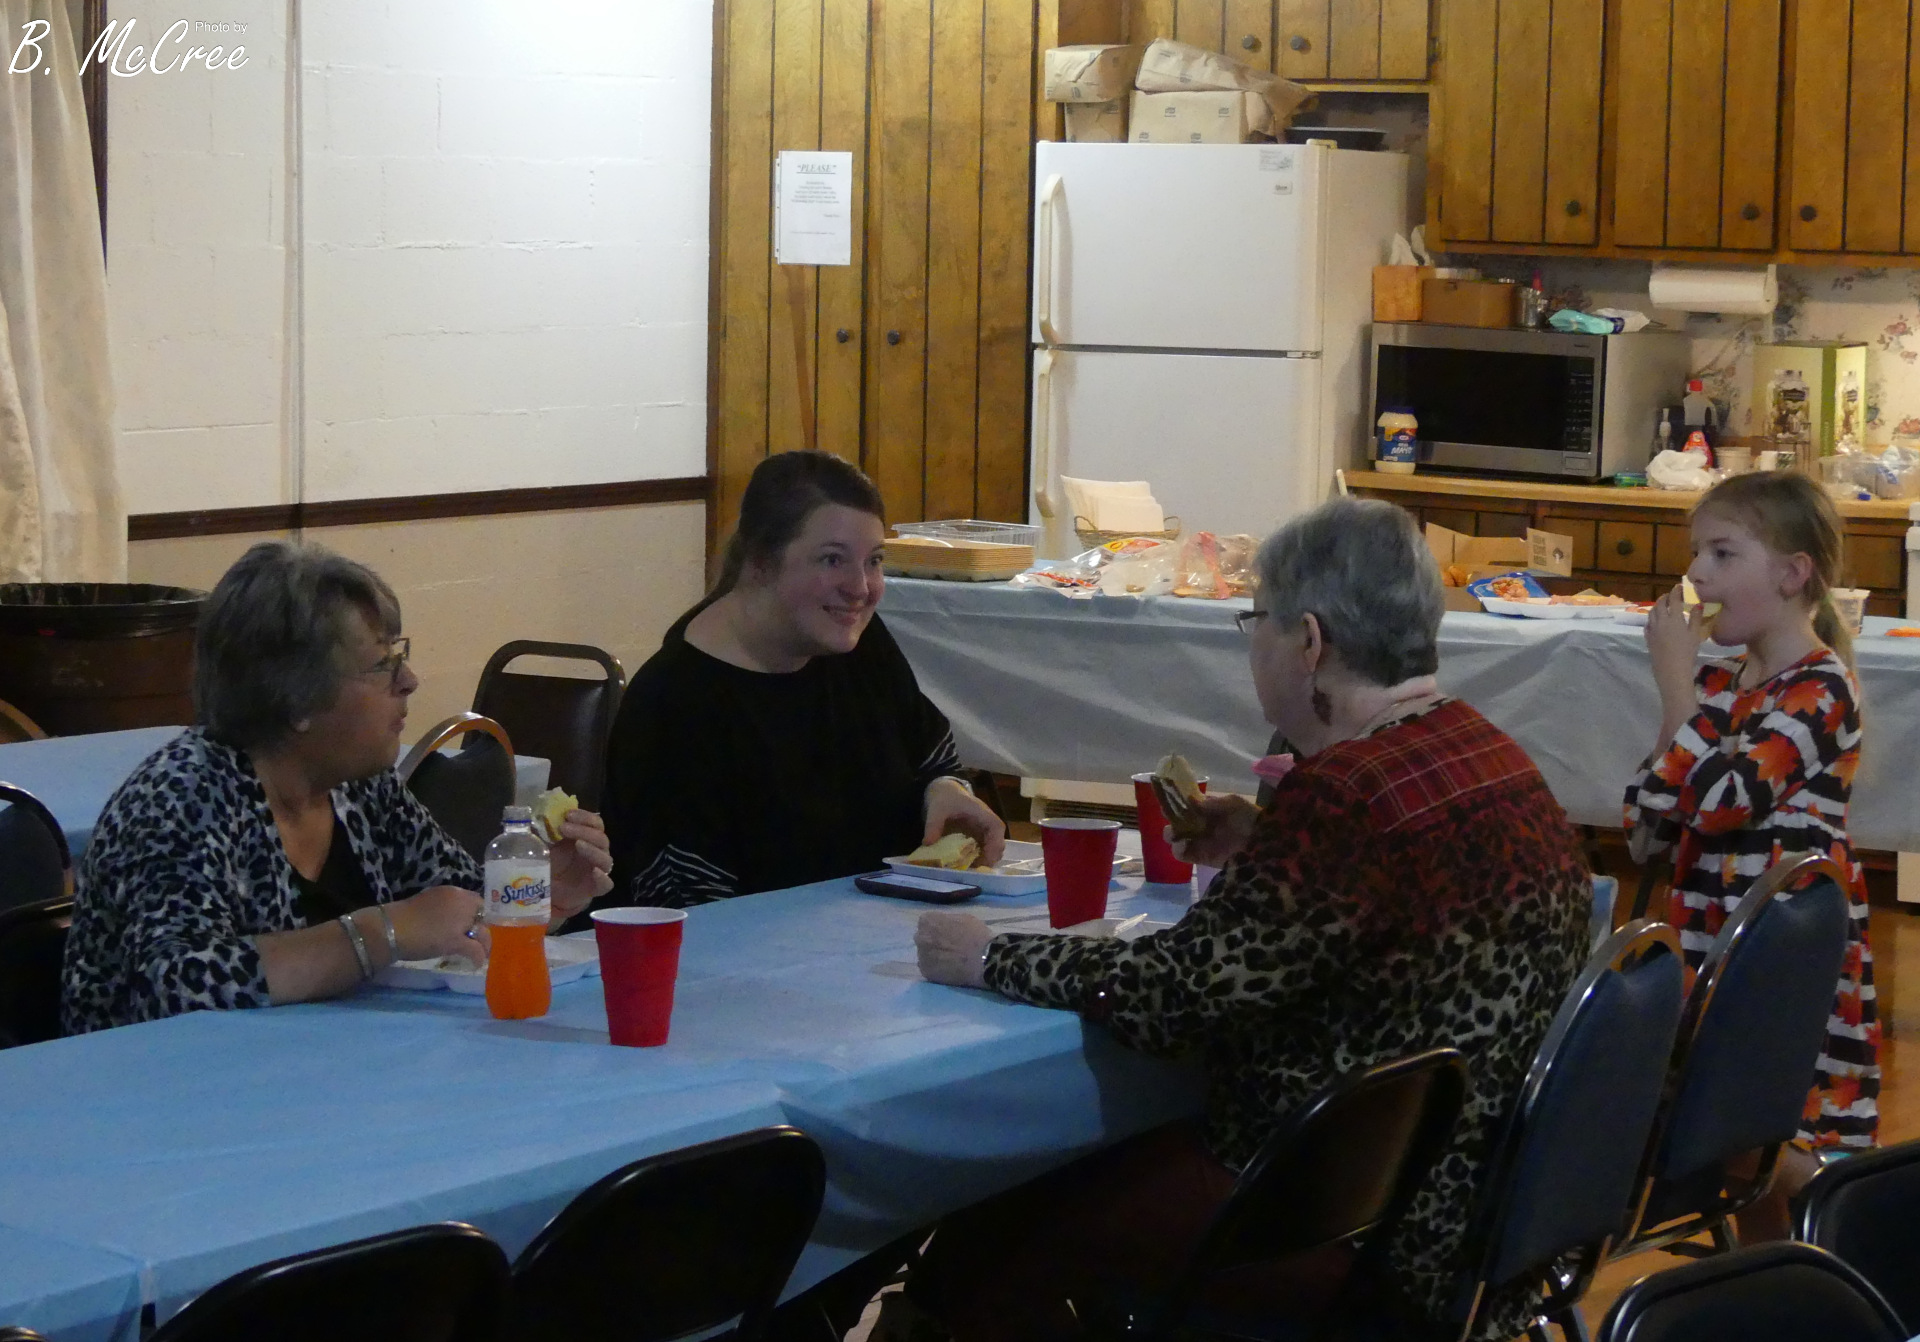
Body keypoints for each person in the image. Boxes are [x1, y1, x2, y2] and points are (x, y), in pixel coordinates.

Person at [910, 498, 1592, 1342]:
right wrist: (1269, 844)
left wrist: (990, 957)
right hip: (1483, 1206)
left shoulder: (1346, 795)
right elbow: (1383, 913)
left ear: (1310, 643)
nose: (1251, 641)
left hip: (1355, 1223)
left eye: (1255, 620)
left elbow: (1174, 997)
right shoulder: (1486, 750)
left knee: (1003, 1207)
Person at [61, 542, 614, 1034]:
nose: (409, 681)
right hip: (162, 1094)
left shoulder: (362, 788)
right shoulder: (181, 798)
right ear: (295, 699)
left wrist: (539, 897)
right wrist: (382, 932)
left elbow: (458, 915)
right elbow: (175, 987)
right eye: (382, 664)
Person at [1625, 470, 1876, 1228]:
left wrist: (1677, 690)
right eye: (1696, 552)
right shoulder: (1719, 683)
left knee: (1765, 1131)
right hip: (1710, 941)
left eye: (1723, 553)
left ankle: (1866, 1225)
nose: (1696, 573)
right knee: (1726, 1136)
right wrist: (1688, 706)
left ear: (1794, 574)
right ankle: (1768, 1274)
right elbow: (1646, 825)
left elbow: (1723, 801)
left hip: (1783, 955)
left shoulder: (1822, 690)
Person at [599, 450, 1004, 907]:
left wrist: (946, 792)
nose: (860, 588)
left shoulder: (857, 644)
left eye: (874, 561)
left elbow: (929, 757)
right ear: (760, 561)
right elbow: (686, 907)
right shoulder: (676, 703)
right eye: (832, 560)